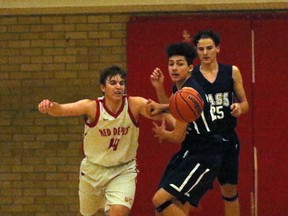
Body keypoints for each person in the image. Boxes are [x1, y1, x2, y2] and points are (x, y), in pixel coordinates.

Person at [38, 65, 172, 216]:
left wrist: (175, 102)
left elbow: (160, 112)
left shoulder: (135, 104)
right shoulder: (92, 107)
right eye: (113, 83)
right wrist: (49, 106)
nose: (118, 87)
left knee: (118, 213)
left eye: (121, 83)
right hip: (93, 170)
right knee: (86, 214)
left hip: (123, 169)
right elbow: (61, 109)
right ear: (103, 87)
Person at [148, 42, 228, 216]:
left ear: (190, 67)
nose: (174, 68)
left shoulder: (189, 92)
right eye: (171, 64)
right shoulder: (180, 90)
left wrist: (163, 133)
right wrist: (159, 89)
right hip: (191, 151)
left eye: (180, 64)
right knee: (170, 206)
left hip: (205, 154)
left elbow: (177, 136)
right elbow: (174, 114)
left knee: (160, 200)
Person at [192, 29, 249, 216]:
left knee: (229, 191)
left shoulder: (231, 72)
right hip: (201, 141)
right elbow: (177, 106)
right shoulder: (190, 77)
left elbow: (245, 103)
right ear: (196, 51)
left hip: (227, 138)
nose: (205, 52)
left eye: (209, 48)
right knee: (187, 191)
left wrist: (239, 108)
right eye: (201, 49)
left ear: (218, 48)